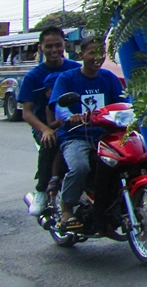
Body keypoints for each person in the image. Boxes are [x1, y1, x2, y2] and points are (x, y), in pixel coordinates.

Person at [49, 35, 127, 230]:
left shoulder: (109, 78)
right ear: (81, 54)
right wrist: (70, 116)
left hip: (106, 135)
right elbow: (59, 105)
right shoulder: (67, 78)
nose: (97, 57)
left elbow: (124, 102)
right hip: (76, 136)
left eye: (101, 52)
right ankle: (67, 208)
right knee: (80, 167)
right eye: (92, 52)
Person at [17, 26, 81, 216]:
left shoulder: (76, 69)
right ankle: (41, 190)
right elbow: (27, 113)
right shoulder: (33, 77)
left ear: (65, 45)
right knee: (51, 142)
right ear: (40, 48)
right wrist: (45, 129)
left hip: (75, 124)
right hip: (47, 125)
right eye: (49, 46)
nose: (54, 50)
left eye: (58, 45)